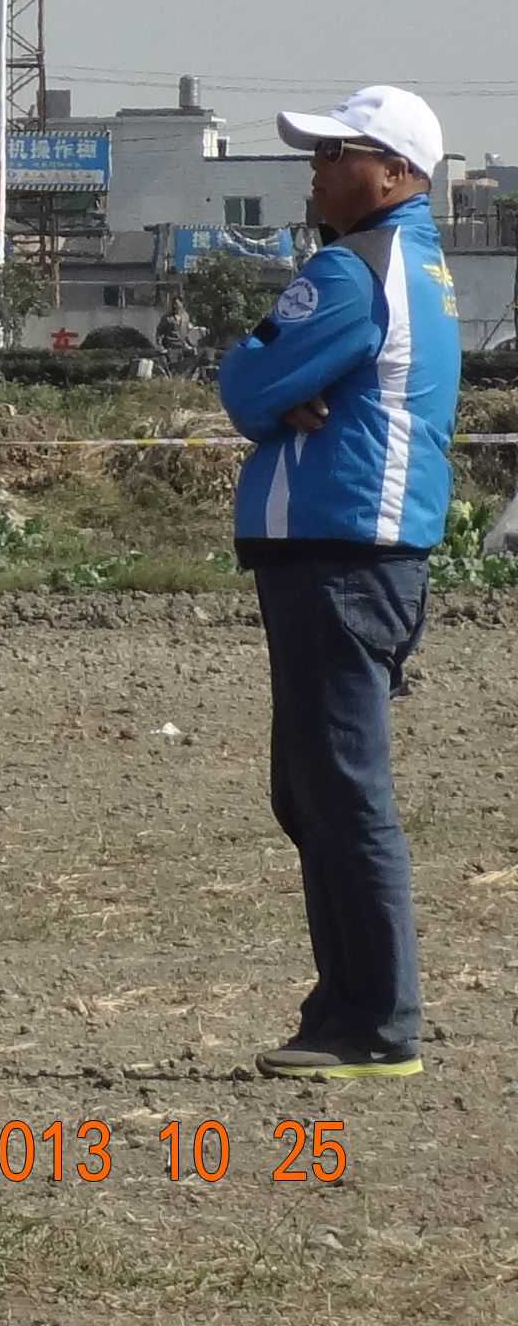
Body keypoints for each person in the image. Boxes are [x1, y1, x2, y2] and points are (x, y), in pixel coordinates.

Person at [218, 86, 460, 1081]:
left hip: (341, 552)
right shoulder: (417, 268)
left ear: (396, 173)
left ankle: (373, 1021)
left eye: (335, 154)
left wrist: (274, 394)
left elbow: (243, 386)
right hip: (360, 554)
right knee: (315, 786)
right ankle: (347, 1009)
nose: (315, 170)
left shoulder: (351, 272)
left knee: (340, 788)